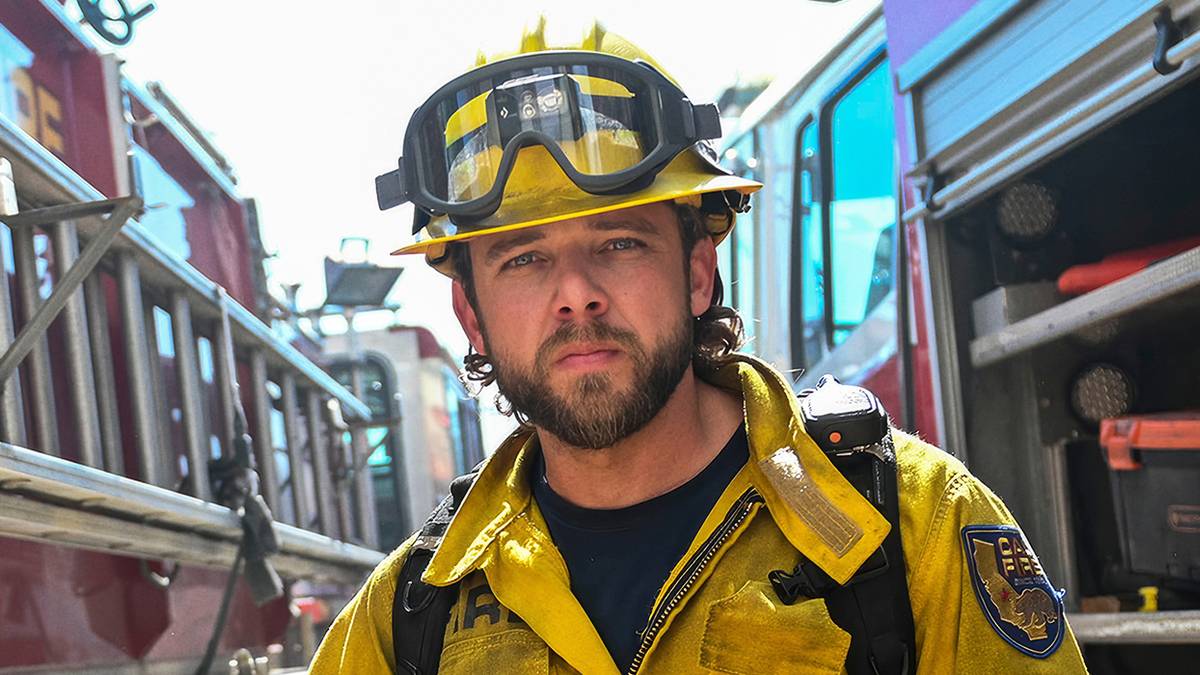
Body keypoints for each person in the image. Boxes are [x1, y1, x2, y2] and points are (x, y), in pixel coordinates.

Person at [311, 19, 1089, 674]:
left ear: (695, 271)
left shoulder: (913, 526)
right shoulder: (409, 615)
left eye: (619, 242)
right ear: (471, 314)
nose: (575, 291)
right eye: (523, 259)